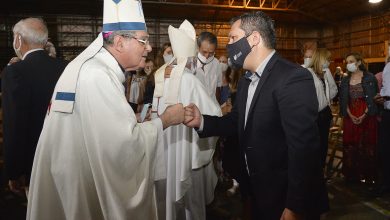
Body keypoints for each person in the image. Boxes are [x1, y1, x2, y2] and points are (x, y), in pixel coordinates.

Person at [26, 1, 184, 219]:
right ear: (119, 42)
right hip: (79, 181)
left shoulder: (93, 67)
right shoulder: (98, 75)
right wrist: (165, 120)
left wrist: (132, 119)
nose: (149, 47)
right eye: (144, 40)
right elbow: (123, 148)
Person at [184, 11, 328, 220]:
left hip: (284, 196)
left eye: (233, 38)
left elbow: (304, 149)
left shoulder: (292, 78)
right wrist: (203, 121)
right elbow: (237, 121)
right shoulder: (246, 80)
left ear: (254, 39)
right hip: (256, 188)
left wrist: (295, 206)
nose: (229, 45)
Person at [152, 19, 222, 220]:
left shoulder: (160, 75)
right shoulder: (191, 80)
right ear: (191, 57)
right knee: (192, 204)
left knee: (168, 201)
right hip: (188, 150)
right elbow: (213, 115)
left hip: (165, 148)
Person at [1, 17, 67, 196]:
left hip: (34, 161)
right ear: (45, 41)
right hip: (66, 156)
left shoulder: (15, 72)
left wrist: (14, 171)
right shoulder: (66, 67)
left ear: (19, 40)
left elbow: (14, 124)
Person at [339, 52, 378, 185]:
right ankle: (352, 175)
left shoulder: (370, 77)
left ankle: (367, 175)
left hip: (366, 114)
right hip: (351, 114)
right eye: (347, 62)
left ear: (359, 62)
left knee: (367, 144)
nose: (348, 64)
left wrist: (364, 114)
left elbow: (374, 99)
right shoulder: (345, 80)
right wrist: (350, 114)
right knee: (351, 145)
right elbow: (343, 100)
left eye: (351, 61)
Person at [306, 48, 338, 168]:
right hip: (313, 115)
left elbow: (331, 91)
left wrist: (326, 104)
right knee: (314, 146)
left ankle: (320, 172)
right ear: (320, 59)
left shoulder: (324, 72)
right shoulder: (307, 72)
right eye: (327, 59)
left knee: (323, 146)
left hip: (324, 113)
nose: (329, 62)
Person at [373, 56, 390, 196]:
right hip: (387, 113)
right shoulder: (387, 68)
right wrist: (380, 98)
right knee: (384, 150)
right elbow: (385, 91)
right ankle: (385, 183)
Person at [195, 31, 223, 102]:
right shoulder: (190, 61)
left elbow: (218, 86)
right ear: (198, 48)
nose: (207, 56)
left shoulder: (216, 63)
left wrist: (217, 106)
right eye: (204, 52)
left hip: (211, 106)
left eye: (211, 53)